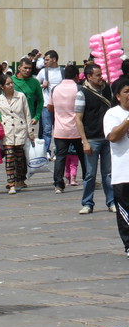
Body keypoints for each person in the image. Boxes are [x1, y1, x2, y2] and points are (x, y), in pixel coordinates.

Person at [75, 63, 115, 214]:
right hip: (91, 139)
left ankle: (111, 202)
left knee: (108, 173)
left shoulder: (107, 90)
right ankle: (87, 203)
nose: (101, 77)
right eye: (97, 75)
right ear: (89, 77)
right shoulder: (82, 93)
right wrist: (84, 141)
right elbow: (78, 119)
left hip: (107, 138)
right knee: (90, 174)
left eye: (101, 74)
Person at [0, 74, 35, 194]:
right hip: (7, 132)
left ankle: (19, 179)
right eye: (8, 84)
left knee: (19, 158)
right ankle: (11, 184)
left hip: (20, 130)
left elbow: (27, 114)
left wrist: (30, 132)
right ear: (2, 87)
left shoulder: (21, 96)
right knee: (9, 157)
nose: (11, 85)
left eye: (12, 83)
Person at [47, 64, 85, 194]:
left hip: (60, 129)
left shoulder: (55, 89)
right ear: (76, 76)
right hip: (76, 129)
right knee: (83, 156)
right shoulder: (79, 88)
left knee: (60, 157)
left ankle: (58, 183)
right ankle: (87, 178)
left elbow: (50, 107)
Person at [104, 77, 129, 258]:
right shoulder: (112, 114)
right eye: (126, 92)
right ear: (118, 96)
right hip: (123, 173)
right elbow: (113, 137)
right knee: (125, 213)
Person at [37, 50, 64, 159]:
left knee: (59, 129)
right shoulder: (43, 72)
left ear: (54, 59)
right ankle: (46, 151)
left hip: (60, 105)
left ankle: (58, 151)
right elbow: (36, 85)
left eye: (47, 60)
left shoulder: (63, 71)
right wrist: (42, 85)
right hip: (46, 105)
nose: (45, 62)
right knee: (47, 130)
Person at [12, 57, 43, 132]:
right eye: (25, 68)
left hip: (28, 120)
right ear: (19, 68)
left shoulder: (35, 82)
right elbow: (3, 99)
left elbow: (40, 100)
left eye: (30, 68)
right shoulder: (11, 80)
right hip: (12, 120)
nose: (28, 70)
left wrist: (36, 117)